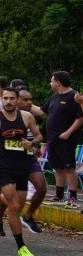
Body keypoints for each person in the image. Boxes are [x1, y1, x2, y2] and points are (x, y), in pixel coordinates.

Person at [0, 87, 42, 256]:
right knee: (14, 207)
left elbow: (39, 136)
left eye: (12, 98)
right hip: (3, 167)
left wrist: (31, 142)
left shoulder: (26, 117)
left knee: (17, 206)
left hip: (22, 166)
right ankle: (21, 247)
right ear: (2, 100)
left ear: (16, 99)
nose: (8, 101)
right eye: (5, 98)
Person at [0, 88, 48, 235]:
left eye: (31, 100)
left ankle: (28, 216)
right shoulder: (1, 116)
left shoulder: (29, 116)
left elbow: (39, 136)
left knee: (41, 187)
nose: (29, 103)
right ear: (18, 100)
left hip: (28, 157)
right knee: (10, 196)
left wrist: (33, 144)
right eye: (26, 100)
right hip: (8, 161)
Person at [28, 71, 83, 207]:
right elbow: (41, 111)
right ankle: (59, 195)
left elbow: (80, 117)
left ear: (58, 82)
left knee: (69, 167)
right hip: (53, 139)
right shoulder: (54, 97)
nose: (50, 83)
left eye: (52, 80)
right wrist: (27, 104)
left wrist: (68, 132)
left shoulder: (74, 96)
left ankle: (73, 198)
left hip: (66, 139)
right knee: (57, 167)